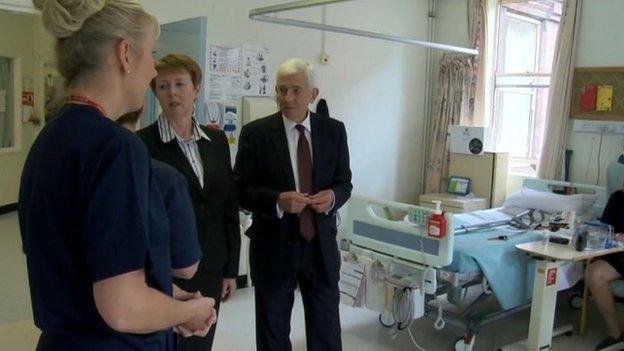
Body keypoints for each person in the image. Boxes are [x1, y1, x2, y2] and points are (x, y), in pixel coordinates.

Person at [19, 1, 216, 350]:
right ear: (125, 54)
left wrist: (169, 303)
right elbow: (123, 307)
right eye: (152, 54)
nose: (153, 69)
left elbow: (91, 267)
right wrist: (188, 312)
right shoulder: (116, 147)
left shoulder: (52, 138)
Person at [233, 58, 352, 351]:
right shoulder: (256, 134)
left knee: (326, 332)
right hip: (274, 246)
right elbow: (240, 189)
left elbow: (344, 181)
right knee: (273, 333)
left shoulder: (333, 131)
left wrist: (333, 197)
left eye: (296, 90)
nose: (287, 98)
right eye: (282, 90)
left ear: (313, 94)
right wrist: (277, 201)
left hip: (320, 246)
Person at [137, 54, 240, 351]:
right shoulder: (142, 145)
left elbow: (228, 208)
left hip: (211, 266)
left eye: (180, 84)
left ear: (196, 88)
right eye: (163, 85)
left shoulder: (217, 141)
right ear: (154, 91)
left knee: (202, 341)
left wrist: (230, 268)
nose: (172, 93)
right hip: (167, 271)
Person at [586, 190, 624, 350]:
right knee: (594, 272)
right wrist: (614, 236)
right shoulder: (617, 197)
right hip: (619, 253)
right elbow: (605, 227)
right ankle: (615, 334)